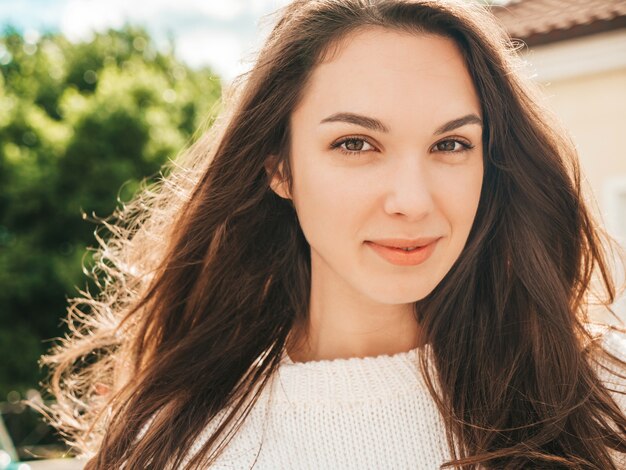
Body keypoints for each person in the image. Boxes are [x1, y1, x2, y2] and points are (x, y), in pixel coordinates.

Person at [40, 0, 626, 468]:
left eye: (451, 145)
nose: (411, 201)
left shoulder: (598, 402)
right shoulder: (176, 444)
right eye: (356, 144)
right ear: (280, 167)